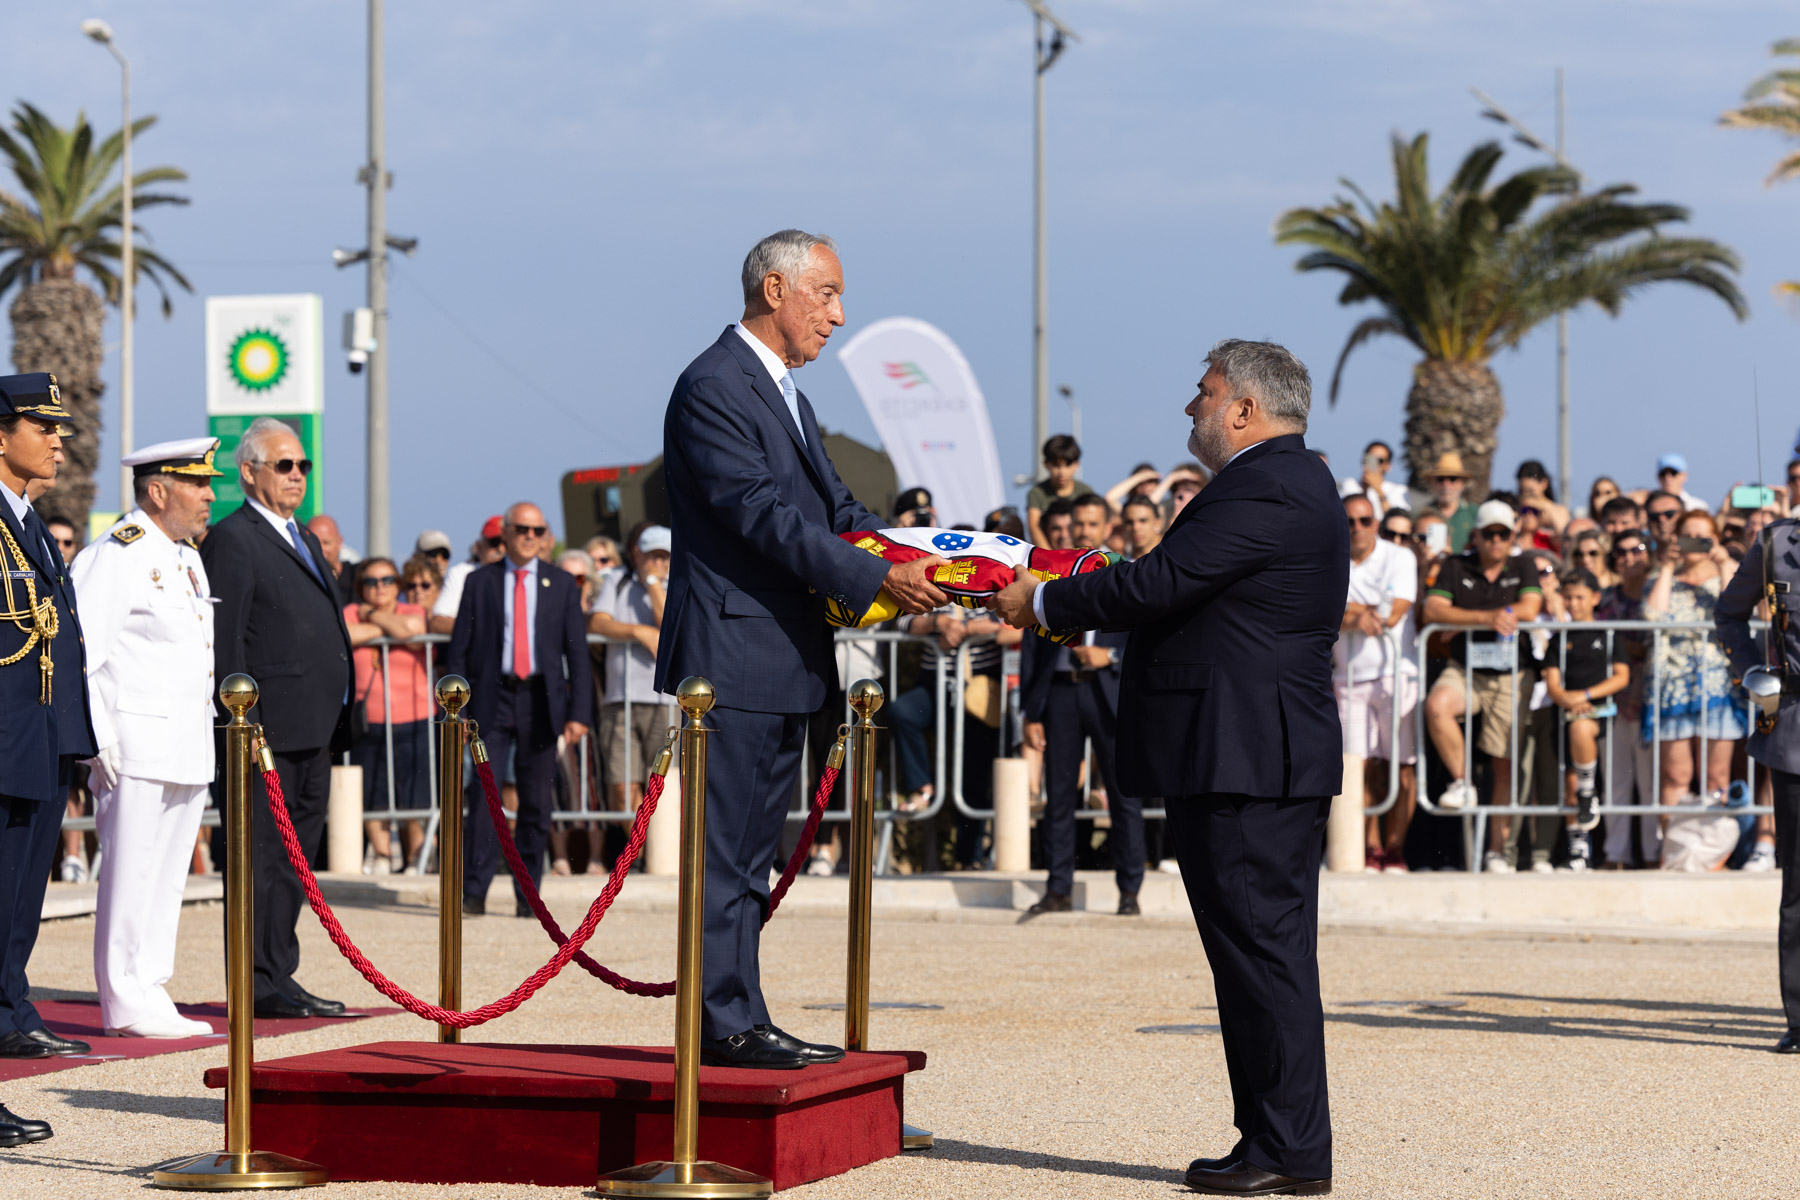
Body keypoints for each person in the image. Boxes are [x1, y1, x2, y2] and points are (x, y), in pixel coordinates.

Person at [990, 338, 1343, 1195]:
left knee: (1262, 957)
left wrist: (1043, 600)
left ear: (1246, 409)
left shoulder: (1265, 485)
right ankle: (1272, 1140)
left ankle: (1287, 1151)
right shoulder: (1287, 481)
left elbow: (1158, 585)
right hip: (1249, 753)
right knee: (1258, 956)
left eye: (1205, 392)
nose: (1192, 406)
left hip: (1245, 757)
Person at [654, 229, 948, 1071]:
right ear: (775, 289)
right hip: (736, 656)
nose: (839, 315)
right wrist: (877, 577)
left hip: (784, 655)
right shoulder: (715, 385)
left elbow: (838, 512)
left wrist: (936, 562)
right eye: (827, 294)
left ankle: (739, 1013)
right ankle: (724, 1024)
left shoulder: (785, 394)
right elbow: (761, 514)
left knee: (754, 857)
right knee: (727, 857)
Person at [201, 415, 352, 1019]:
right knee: (260, 858)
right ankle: (255, 981)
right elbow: (227, 645)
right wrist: (243, 729)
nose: (297, 475)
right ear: (249, 472)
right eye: (284, 464)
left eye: (302, 465)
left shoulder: (302, 535)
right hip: (265, 733)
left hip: (313, 728)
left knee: (295, 859)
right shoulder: (233, 539)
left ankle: (278, 972)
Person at [72, 438, 223, 1037]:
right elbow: (81, 654)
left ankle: (150, 985)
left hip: (184, 742)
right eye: (198, 485)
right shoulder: (118, 553)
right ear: (158, 491)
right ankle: (123, 996)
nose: (210, 496)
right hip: (132, 742)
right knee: (130, 874)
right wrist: (97, 736)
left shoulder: (185, 556)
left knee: (166, 876)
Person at [0, 373, 99, 1101]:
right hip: (7, 737)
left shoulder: (29, 521)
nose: (58, 441)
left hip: (40, 735)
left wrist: (75, 736)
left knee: (22, 896)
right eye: (42, 427)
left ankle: (11, 1011)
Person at [447, 502, 593, 915]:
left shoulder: (561, 584)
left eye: (537, 530)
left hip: (541, 701)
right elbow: (458, 650)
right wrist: (457, 709)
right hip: (491, 699)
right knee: (484, 795)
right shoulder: (480, 581)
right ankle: (473, 892)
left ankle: (528, 897)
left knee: (536, 800)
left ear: (545, 536)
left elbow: (577, 654)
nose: (530, 536)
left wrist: (579, 713)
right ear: (507, 533)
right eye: (522, 529)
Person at [1421, 498, 1544, 872]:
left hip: (1511, 674)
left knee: (1503, 763)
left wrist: (1468, 619)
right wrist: (1489, 618)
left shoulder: (1524, 564)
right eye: (1489, 533)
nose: (1495, 541)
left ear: (1512, 536)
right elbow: (1433, 610)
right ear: (1475, 535)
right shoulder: (1456, 565)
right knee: (1437, 705)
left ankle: (1496, 851)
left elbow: (1530, 607)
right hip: (1466, 669)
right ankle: (1462, 782)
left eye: (1503, 534)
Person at [1715, 509, 1800, 1050]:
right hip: (1795, 728)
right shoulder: (1776, 543)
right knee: (1798, 884)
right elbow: (1729, 613)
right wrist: (1750, 671)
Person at [1643, 510, 1744, 821]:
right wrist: (1667, 567)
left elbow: (1736, 612)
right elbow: (1652, 617)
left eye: (1703, 537)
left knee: (1716, 779)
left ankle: (1713, 847)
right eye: (1689, 537)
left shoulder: (1730, 574)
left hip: (1718, 687)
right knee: (1675, 777)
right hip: (1672, 687)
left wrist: (1723, 563)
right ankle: (1672, 847)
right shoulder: (1661, 578)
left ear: (1716, 539)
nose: (1695, 543)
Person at [1337, 493, 1418, 872]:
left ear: (1376, 523)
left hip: (1396, 675)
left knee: (1401, 767)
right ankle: (1369, 848)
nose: (1357, 528)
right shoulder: (1330, 557)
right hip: (1349, 678)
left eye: (1364, 520)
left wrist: (1348, 612)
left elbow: (1394, 611)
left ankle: (1396, 849)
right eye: (1350, 521)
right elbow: (1321, 609)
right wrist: (1359, 616)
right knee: (1359, 768)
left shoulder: (1400, 557)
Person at [588, 525, 675, 861]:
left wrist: (653, 585)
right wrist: (639, 632)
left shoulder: (678, 583)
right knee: (623, 788)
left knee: (662, 786)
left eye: (665, 556)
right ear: (637, 554)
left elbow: (669, 627)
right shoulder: (616, 580)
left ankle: (657, 857)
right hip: (621, 699)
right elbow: (598, 622)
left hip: (666, 702)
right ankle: (643, 855)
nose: (659, 563)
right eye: (653, 556)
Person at [1538, 569, 1631, 869]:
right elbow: (1553, 684)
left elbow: (1622, 676)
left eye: (1580, 597)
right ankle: (1579, 852)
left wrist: (1585, 696)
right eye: (1568, 598)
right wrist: (1567, 699)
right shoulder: (1559, 639)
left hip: (1602, 715)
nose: (1573, 604)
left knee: (1581, 735)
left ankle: (1588, 792)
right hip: (1567, 714)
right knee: (1570, 785)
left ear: (1595, 598)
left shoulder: (1609, 634)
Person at [343, 556, 431, 875]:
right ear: (360, 587)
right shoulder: (349, 611)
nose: (379, 587)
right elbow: (345, 634)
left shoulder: (412, 609)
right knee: (373, 791)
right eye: (371, 581)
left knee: (415, 792)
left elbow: (412, 629)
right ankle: (381, 854)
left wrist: (371, 617)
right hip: (368, 719)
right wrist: (385, 626)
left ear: (398, 585)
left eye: (387, 580)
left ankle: (417, 857)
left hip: (416, 715)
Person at [429, 516, 504, 635]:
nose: (501, 549)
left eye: (506, 543)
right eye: (494, 542)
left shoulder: (525, 576)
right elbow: (438, 623)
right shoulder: (462, 574)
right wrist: (481, 627)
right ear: (479, 547)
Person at [1026, 435, 1093, 546]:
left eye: (1068, 465)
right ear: (1046, 464)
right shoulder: (1037, 493)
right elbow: (1033, 527)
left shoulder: (1085, 492)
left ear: (1077, 464)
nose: (1062, 472)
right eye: (1056, 465)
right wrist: (1048, 555)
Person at [1422, 451, 1476, 552]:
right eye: (1440, 479)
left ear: (1463, 483)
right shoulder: (1422, 515)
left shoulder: (1475, 514)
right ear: (1432, 482)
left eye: (1452, 479)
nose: (1446, 485)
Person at [1339, 439, 1409, 517]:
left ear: (1388, 466)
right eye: (1370, 458)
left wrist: (1379, 491)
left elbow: (1396, 520)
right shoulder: (1349, 484)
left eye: (1379, 460)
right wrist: (1365, 488)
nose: (1373, 464)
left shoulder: (1398, 491)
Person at [307, 514, 355, 605]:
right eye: (314, 543)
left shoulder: (358, 577)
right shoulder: (298, 579)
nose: (320, 549)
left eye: (326, 543)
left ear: (339, 542)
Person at [1515, 459, 1569, 535]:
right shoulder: (1518, 511)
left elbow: (1563, 532)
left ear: (1544, 483)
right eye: (1521, 491)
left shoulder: (1559, 510)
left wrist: (1544, 507)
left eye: (1530, 491)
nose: (1526, 495)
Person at [1119, 493, 1164, 560]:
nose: (1135, 528)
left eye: (1143, 521)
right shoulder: (1118, 564)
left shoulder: (1172, 562)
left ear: (1158, 524)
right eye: (1129, 522)